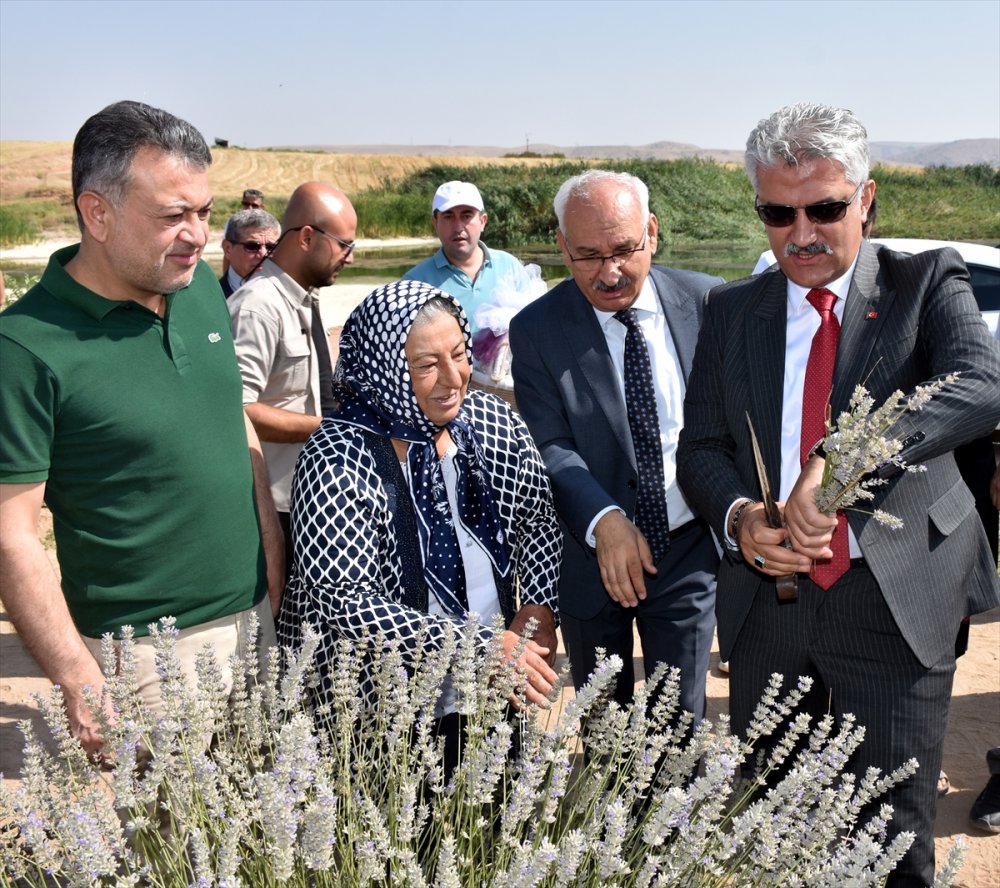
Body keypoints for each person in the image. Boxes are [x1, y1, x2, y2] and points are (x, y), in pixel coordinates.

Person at [676, 102, 1000, 887]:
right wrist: (743, 518)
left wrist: (839, 457)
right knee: (783, 842)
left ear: (866, 199)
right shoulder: (730, 310)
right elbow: (702, 449)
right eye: (777, 213)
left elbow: (981, 385)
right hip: (770, 612)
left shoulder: (927, 282)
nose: (801, 232)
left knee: (891, 847)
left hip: (892, 602)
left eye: (824, 208)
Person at [0, 100, 284, 759]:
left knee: (272, 845)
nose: (197, 236)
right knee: (180, 856)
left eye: (205, 213)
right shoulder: (25, 346)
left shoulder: (201, 292)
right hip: (146, 661)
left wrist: (270, 546)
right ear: (96, 212)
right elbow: (12, 537)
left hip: (255, 623)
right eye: (172, 216)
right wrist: (76, 674)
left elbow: (230, 412)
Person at [277, 280, 560, 768]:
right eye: (426, 366)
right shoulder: (336, 456)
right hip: (374, 703)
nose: (454, 379)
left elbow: (537, 523)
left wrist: (536, 613)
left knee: (487, 819)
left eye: (459, 354)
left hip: (494, 683)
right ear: (384, 369)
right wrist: (478, 645)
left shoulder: (493, 423)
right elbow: (345, 600)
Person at [509, 170, 721, 716]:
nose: (610, 272)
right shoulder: (536, 329)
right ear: (561, 246)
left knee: (680, 726)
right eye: (588, 255)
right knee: (604, 723)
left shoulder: (707, 303)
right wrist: (604, 520)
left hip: (688, 549)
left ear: (651, 231)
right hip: (588, 558)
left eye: (625, 249)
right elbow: (550, 446)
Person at [229, 181, 356, 572]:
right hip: (274, 509)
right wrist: (326, 429)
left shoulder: (301, 297)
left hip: (307, 501)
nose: (349, 258)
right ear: (306, 238)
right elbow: (237, 410)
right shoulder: (258, 307)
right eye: (344, 245)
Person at [402, 181, 532, 336]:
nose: (458, 227)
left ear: (482, 221)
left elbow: (534, 327)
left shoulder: (509, 266)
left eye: (466, 216)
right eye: (448, 217)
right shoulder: (415, 283)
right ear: (435, 223)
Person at [219, 208, 281, 297]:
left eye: (271, 247)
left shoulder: (288, 296)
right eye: (252, 246)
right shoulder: (210, 300)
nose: (263, 254)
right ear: (228, 249)